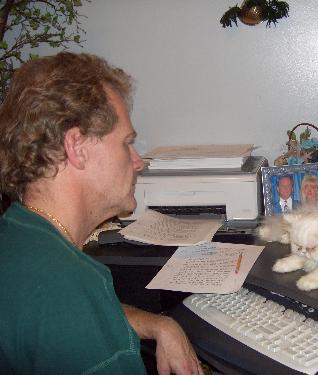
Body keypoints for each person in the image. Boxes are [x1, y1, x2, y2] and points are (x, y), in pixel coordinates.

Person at [0, 52, 203, 375]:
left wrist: (157, 325)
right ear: (77, 147)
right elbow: (68, 308)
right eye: (126, 143)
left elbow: (61, 317)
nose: (138, 161)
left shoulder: (18, 235)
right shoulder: (68, 284)